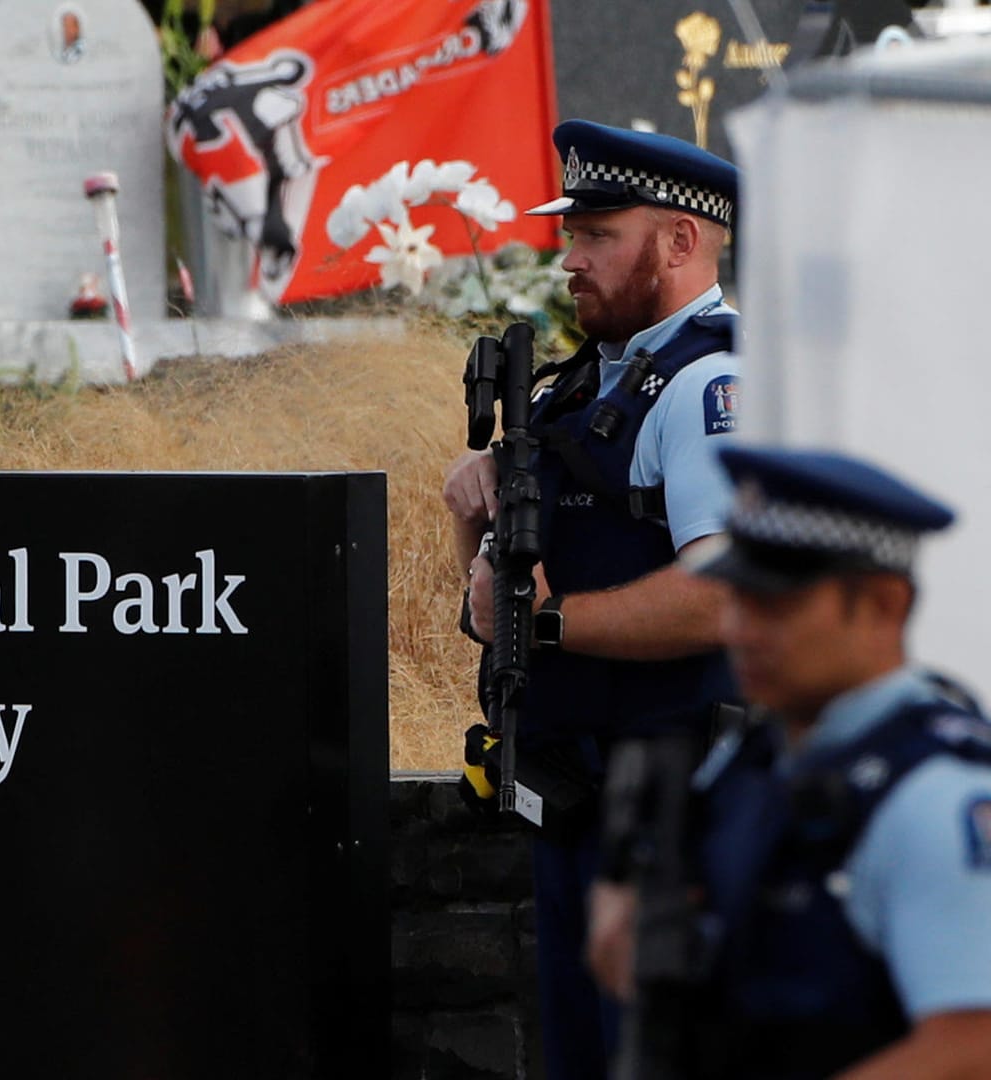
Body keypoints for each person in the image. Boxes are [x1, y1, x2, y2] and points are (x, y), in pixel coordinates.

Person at [442, 119, 744, 1080]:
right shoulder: (581, 390)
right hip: (573, 802)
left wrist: (552, 617)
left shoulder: (707, 385)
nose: (568, 257)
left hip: (668, 812)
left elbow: (726, 597)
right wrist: (475, 516)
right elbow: (491, 611)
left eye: (598, 234)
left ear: (679, 243)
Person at [588, 445, 991, 1078]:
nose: (741, 630)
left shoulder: (935, 793)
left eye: (774, 606)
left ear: (885, 604)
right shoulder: (751, 758)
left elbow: (972, 1049)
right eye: (737, 600)